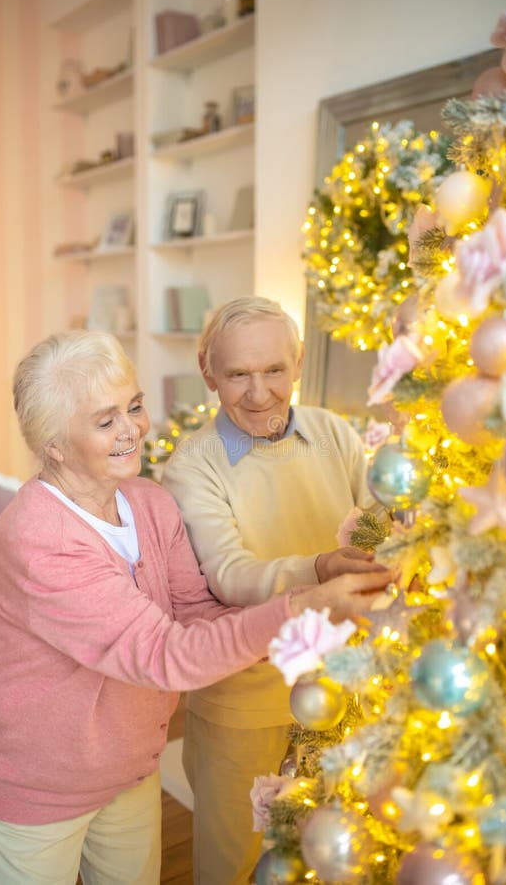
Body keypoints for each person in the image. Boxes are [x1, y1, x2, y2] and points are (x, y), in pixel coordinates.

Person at [0, 329, 393, 885]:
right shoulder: (39, 538)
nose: (133, 430)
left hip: (128, 766)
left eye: (134, 407)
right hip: (38, 784)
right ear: (54, 444)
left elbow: (195, 612)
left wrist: (299, 620)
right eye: (105, 421)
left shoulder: (148, 501)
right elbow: (165, 654)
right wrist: (301, 607)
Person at [162, 295, 388, 885]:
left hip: (344, 682)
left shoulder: (336, 434)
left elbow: (374, 521)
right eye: (237, 374)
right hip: (245, 697)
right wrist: (320, 565)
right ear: (208, 372)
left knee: (340, 842)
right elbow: (230, 574)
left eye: (273, 371)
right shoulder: (194, 466)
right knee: (233, 855)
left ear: (299, 363)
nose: (258, 392)